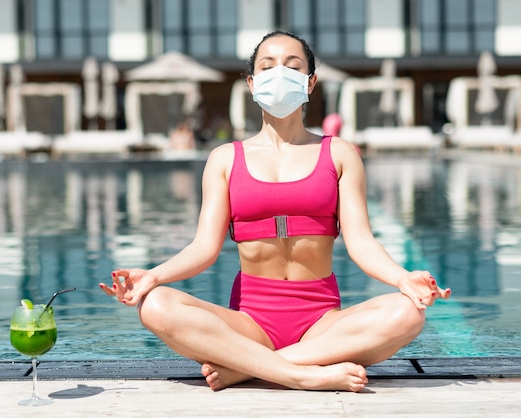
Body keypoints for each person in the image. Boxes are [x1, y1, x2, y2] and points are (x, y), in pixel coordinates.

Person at [100, 30, 451, 392]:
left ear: (310, 82)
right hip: (249, 323)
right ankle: (300, 373)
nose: (279, 73)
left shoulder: (339, 153)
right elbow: (203, 248)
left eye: (292, 65)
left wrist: (401, 278)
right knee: (155, 306)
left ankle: (250, 367)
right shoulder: (224, 159)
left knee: (407, 312)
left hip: (323, 324)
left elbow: (361, 242)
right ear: (252, 84)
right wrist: (153, 277)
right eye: (267, 67)